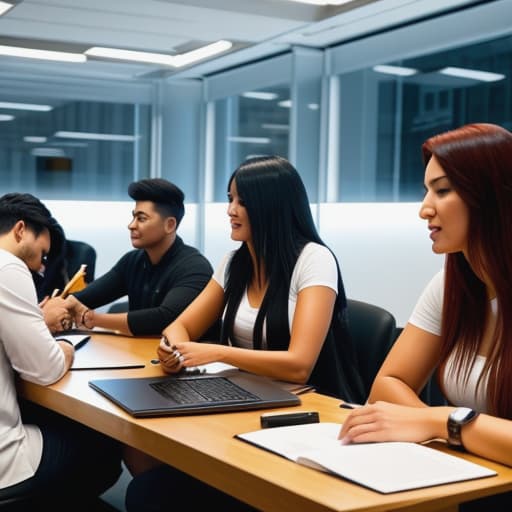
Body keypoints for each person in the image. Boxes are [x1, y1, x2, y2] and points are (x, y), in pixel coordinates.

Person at [124, 155, 365, 511]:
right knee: (143, 463)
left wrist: (218, 353)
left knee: (152, 493)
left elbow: (299, 365)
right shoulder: (235, 262)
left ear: (271, 205)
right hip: (244, 400)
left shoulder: (314, 260)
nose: (230, 210)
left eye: (242, 201)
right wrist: (173, 349)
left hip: (306, 414)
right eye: (229, 199)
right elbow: (181, 325)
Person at [339, 123, 512, 510]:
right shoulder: (451, 285)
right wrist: (447, 430)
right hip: (472, 483)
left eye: (443, 190)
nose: (424, 209)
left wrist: (439, 422)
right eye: (426, 190)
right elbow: (388, 383)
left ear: (492, 195)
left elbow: (427, 417)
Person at [0, 192, 122, 509]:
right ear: (21, 230)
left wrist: (35, 320)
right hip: (5, 459)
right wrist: (66, 344)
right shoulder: (9, 266)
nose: (41, 267)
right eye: (42, 255)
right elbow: (46, 369)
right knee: (105, 448)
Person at [64, 178, 216, 337]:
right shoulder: (132, 261)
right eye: (133, 217)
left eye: (141, 218)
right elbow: (84, 298)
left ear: (170, 225)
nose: (131, 225)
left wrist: (92, 319)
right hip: (142, 352)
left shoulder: (195, 267)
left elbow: (164, 319)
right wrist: (62, 306)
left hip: (187, 358)